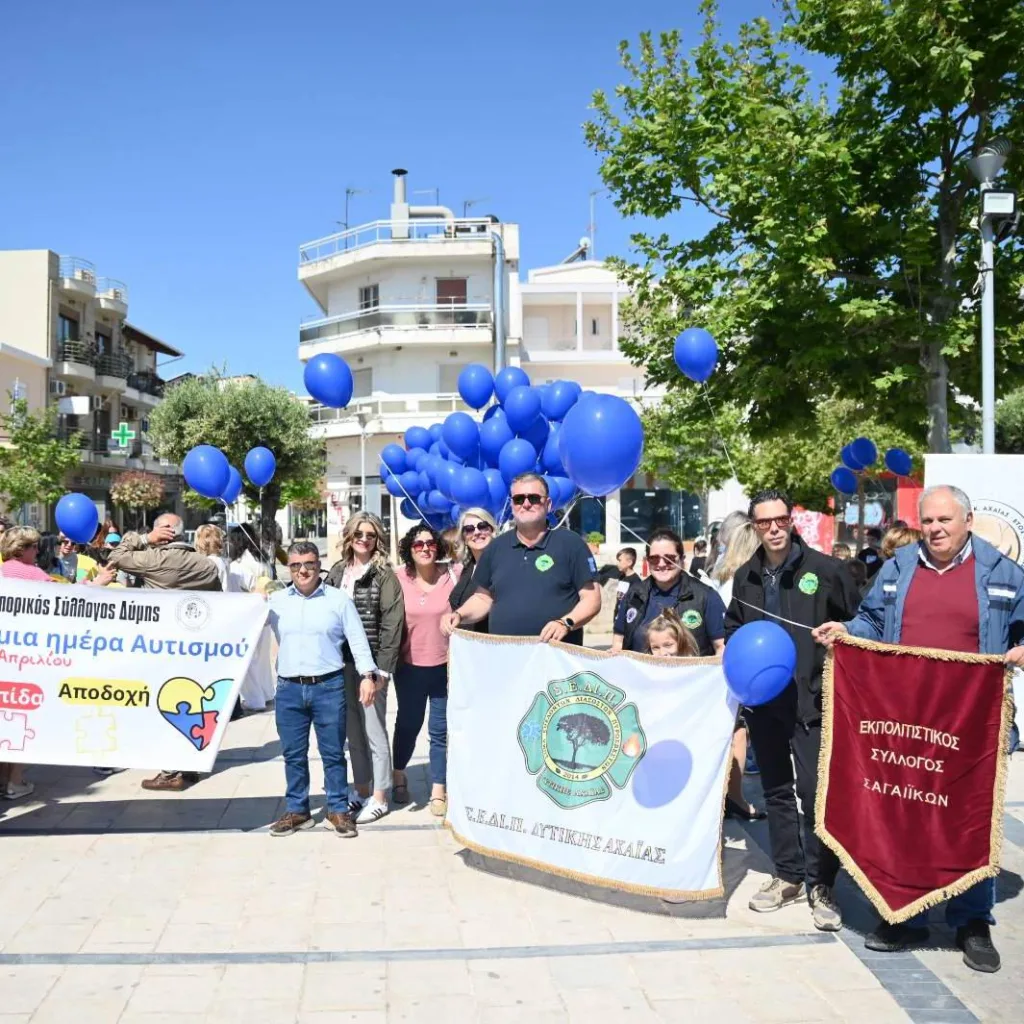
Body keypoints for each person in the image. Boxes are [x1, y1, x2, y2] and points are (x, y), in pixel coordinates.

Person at [813, 484, 1024, 972]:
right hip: (906, 722)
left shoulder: (1003, 572)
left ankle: (973, 921)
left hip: (971, 725)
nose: (935, 530)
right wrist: (847, 631)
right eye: (928, 521)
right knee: (908, 815)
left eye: (945, 521)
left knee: (968, 820)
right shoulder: (900, 566)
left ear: (968, 520)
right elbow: (869, 619)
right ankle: (905, 913)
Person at [725, 488, 861, 932]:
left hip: (814, 702)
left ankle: (822, 883)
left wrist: (842, 633)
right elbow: (733, 629)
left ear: (792, 520)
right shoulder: (745, 576)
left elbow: (860, 622)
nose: (774, 528)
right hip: (766, 704)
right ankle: (787, 874)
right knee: (778, 791)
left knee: (815, 792)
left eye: (780, 519)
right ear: (754, 526)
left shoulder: (825, 570)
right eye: (764, 522)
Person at [266, 541, 376, 837]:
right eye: (296, 565)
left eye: (309, 564)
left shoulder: (338, 600)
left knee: (332, 753)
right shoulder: (275, 601)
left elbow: (357, 640)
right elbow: (242, 624)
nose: (303, 570)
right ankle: (298, 810)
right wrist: (249, 599)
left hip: (328, 686)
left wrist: (367, 675)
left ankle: (338, 809)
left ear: (319, 565)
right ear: (289, 568)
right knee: (293, 753)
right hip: (289, 688)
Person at [106, 514, 221, 792]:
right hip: (195, 646)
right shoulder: (204, 564)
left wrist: (145, 538)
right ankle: (190, 763)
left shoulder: (155, 559)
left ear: (164, 533)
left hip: (161, 646)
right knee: (191, 702)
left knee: (165, 705)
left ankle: (171, 772)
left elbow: (117, 556)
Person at [441, 473, 601, 644]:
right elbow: (483, 599)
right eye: (518, 499)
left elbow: (592, 598)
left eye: (533, 498)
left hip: (556, 658)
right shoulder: (496, 548)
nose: (526, 504)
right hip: (508, 658)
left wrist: (566, 623)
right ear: (512, 504)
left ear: (548, 504)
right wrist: (459, 615)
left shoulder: (571, 543)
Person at [325, 513, 404, 825]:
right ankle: (361, 789)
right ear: (348, 535)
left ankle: (381, 795)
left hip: (369, 664)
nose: (364, 539)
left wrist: (381, 671)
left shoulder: (384, 576)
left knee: (374, 730)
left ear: (378, 540)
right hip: (339, 662)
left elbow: (392, 625)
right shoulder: (337, 571)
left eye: (370, 535)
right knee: (353, 732)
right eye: (358, 533)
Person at [393, 524, 458, 816]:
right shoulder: (397, 578)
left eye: (430, 543)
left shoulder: (452, 576)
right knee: (408, 724)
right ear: (409, 549)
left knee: (440, 730)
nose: (425, 548)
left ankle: (438, 789)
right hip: (408, 667)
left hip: (445, 667)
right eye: (418, 544)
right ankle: (398, 773)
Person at [710, 512, 765, 818]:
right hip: (742, 655)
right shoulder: (748, 576)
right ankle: (734, 798)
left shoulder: (721, 570)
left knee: (727, 726)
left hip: (723, 655)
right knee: (739, 729)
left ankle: (724, 797)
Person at [613, 528, 726, 658]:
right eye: (654, 558)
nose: (661, 564)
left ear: (682, 559)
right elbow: (618, 643)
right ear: (647, 560)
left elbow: (721, 648)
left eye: (669, 558)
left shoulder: (705, 596)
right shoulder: (634, 594)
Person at [0, 527, 51, 800]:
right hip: (27, 660)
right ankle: (15, 782)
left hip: (3, 658)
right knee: (22, 720)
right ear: (24, 548)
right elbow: (73, 603)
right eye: (35, 547)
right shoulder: (35, 576)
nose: (37, 552)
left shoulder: (1, 573)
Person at [106, 514, 221, 593]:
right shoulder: (208, 564)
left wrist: (147, 538)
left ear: (161, 535)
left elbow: (115, 556)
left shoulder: (152, 559)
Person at [449, 508, 497, 633]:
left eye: (482, 526)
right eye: (469, 529)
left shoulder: (502, 564)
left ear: (492, 530)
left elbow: (485, 601)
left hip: (493, 643)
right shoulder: (467, 568)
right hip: (466, 645)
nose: (476, 532)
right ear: (464, 538)